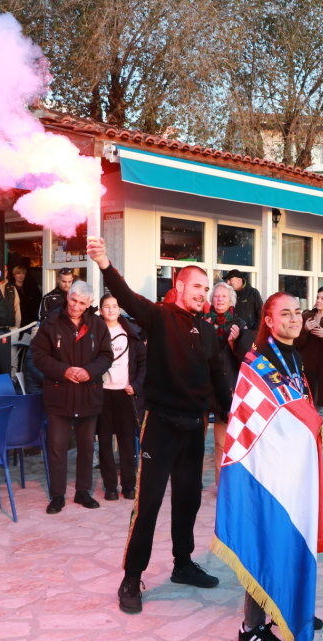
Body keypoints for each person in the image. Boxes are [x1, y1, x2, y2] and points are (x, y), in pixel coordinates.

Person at [87, 237, 233, 614]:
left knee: (189, 500)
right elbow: (127, 296)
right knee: (148, 504)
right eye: (198, 286)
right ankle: (132, 578)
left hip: (193, 427)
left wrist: (234, 414)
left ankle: (182, 564)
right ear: (179, 287)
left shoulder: (207, 332)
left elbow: (218, 377)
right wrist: (104, 262)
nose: (203, 293)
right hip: (160, 425)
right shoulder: (159, 316)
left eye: (206, 287)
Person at [215, 292, 323, 641]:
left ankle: (286, 605)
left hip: (291, 468)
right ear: (268, 319)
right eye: (285, 314)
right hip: (264, 471)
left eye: (298, 313)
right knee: (263, 539)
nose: (294, 319)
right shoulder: (257, 361)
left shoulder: (293, 355)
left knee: (289, 535)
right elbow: (255, 420)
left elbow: (296, 409)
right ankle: (251, 626)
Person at [30, 280, 113, 514]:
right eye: (73, 300)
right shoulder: (50, 323)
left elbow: (107, 355)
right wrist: (64, 371)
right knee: (57, 448)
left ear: (89, 304)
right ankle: (57, 495)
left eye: (82, 303)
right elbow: (38, 355)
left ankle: (83, 492)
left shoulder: (98, 324)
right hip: (59, 395)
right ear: (68, 297)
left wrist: (89, 371)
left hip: (89, 394)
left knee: (87, 448)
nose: (76, 306)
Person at [96, 293, 147, 502]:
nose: (110, 310)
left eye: (115, 306)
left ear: (120, 309)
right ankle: (110, 486)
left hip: (125, 393)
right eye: (106, 306)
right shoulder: (95, 332)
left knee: (127, 442)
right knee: (105, 443)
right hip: (102, 393)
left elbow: (144, 364)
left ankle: (128, 485)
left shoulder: (131, 333)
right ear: (100, 310)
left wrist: (135, 385)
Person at [202, 281, 253, 486]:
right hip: (203, 385)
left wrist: (234, 343)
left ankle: (220, 485)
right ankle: (192, 483)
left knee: (222, 442)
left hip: (227, 387)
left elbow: (246, 359)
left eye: (224, 296)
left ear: (231, 300)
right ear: (211, 299)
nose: (220, 299)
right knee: (196, 439)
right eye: (217, 296)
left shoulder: (240, 324)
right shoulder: (202, 322)